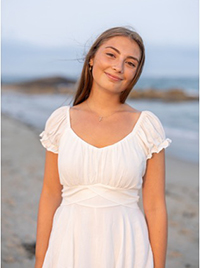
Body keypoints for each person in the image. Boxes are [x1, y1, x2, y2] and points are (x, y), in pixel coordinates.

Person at [35, 26, 171, 268]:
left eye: (130, 63)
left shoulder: (146, 126)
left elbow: (155, 207)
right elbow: (50, 195)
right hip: (68, 244)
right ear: (91, 59)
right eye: (111, 54)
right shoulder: (61, 121)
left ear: (135, 73)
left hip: (127, 245)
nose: (118, 67)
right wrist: (40, 261)